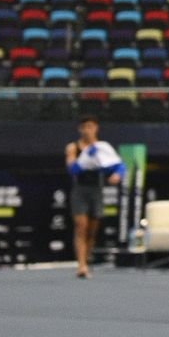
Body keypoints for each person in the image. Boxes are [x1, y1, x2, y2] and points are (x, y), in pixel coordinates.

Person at [65, 116, 125, 279]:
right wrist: (85, 159)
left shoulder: (103, 147)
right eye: (84, 127)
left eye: (90, 127)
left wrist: (117, 176)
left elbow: (120, 165)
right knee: (80, 226)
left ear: (96, 128)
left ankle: (86, 259)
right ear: (80, 129)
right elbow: (72, 170)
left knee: (92, 230)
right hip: (80, 190)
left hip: (96, 191)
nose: (87, 130)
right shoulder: (72, 147)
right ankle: (81, 265)